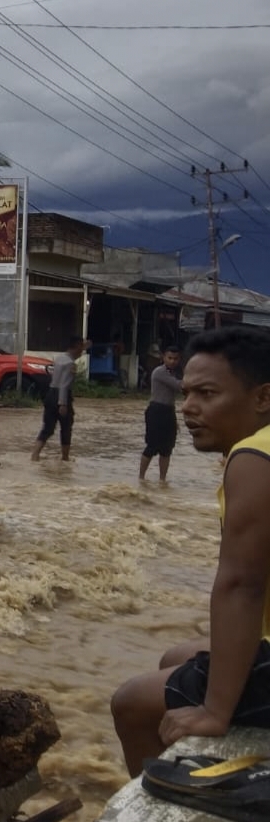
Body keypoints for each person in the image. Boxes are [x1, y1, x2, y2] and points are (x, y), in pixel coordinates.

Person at [110, 326, 270, 777]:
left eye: (207, 394)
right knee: (175, 657)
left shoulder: (254, 458)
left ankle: (157, 815)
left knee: (131, 702)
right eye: (186, 393)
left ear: (262, 398)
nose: (189, 409)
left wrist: (216, 711)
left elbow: (243, 584)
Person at [31, 336, 87, 462]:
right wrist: (63, 403)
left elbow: (74, 355)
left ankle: (35, 455)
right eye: (81, 347)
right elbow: (64, 384)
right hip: (62, 396)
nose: (82, 351)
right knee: (66, 428)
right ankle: (65, 458)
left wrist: (84, 346)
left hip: (50, 394)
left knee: (47, 428)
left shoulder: (60, 358)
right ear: (76, 346)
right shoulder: (70, 364)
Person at [141, 346, 184, 482]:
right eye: (169, 358)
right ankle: (141, 477)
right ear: (163, 358)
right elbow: (180, 386)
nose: (172, 361)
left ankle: (162, 480)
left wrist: (174, 420)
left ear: (179, 359)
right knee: (152, 446)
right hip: (156, 411)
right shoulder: (160, 372)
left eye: (175, 359)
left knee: (167, 448)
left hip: (169, 411)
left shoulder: (174, 373)